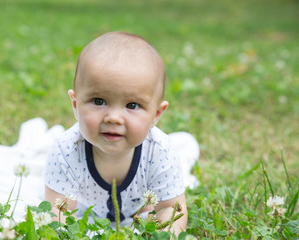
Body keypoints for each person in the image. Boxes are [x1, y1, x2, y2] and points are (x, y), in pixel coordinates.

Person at [44, 31, 199, 235]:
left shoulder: (160, 152)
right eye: (99, 101)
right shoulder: (66, 150)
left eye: (132, 105)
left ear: (156, 114)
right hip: (85, 216)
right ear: (75, 105)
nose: (114, 118)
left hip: (140, 212)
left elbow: (170, 208)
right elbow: (58, 211)